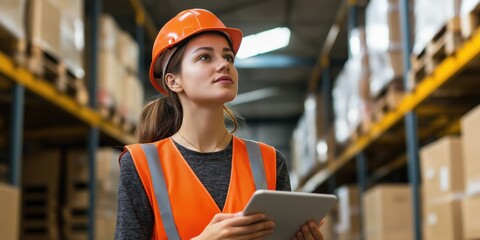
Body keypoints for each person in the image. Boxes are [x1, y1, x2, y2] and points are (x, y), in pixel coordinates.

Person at [114, 8, 325, 240]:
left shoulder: (270, 161)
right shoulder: (141, 164)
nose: (224, 64)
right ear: (173, 81)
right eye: (205, 57)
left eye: (228, 57)